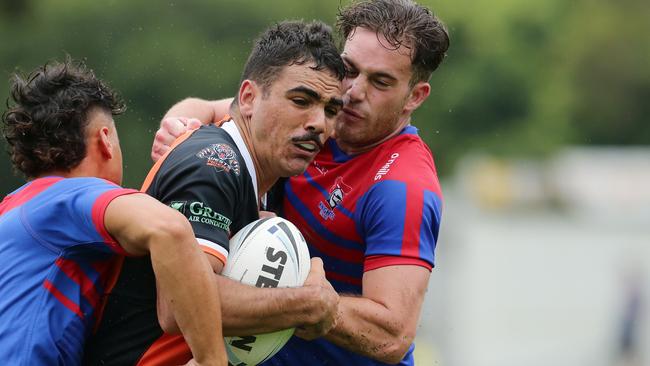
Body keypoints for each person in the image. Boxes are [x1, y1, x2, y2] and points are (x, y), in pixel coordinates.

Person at [152, 1, 449, 365]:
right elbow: (216, 108)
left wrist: (315, 306)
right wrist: (177, 131)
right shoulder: (314, 116)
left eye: (380, 82)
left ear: (414, 97)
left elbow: (393, 336)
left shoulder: (402, 186)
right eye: (350, 70)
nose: (354, 91)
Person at [84, 21, 345, 365]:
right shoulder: (215, 166)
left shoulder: (261, 166)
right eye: (301, 100)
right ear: (249, 98)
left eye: (331, 110)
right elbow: (178, 308)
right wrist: (305, 303)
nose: (319, 123)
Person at [0, 59, 227, 365]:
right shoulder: (70, 198)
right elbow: (168, 229)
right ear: (106, 140)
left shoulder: (15, 208)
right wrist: (210, 359)